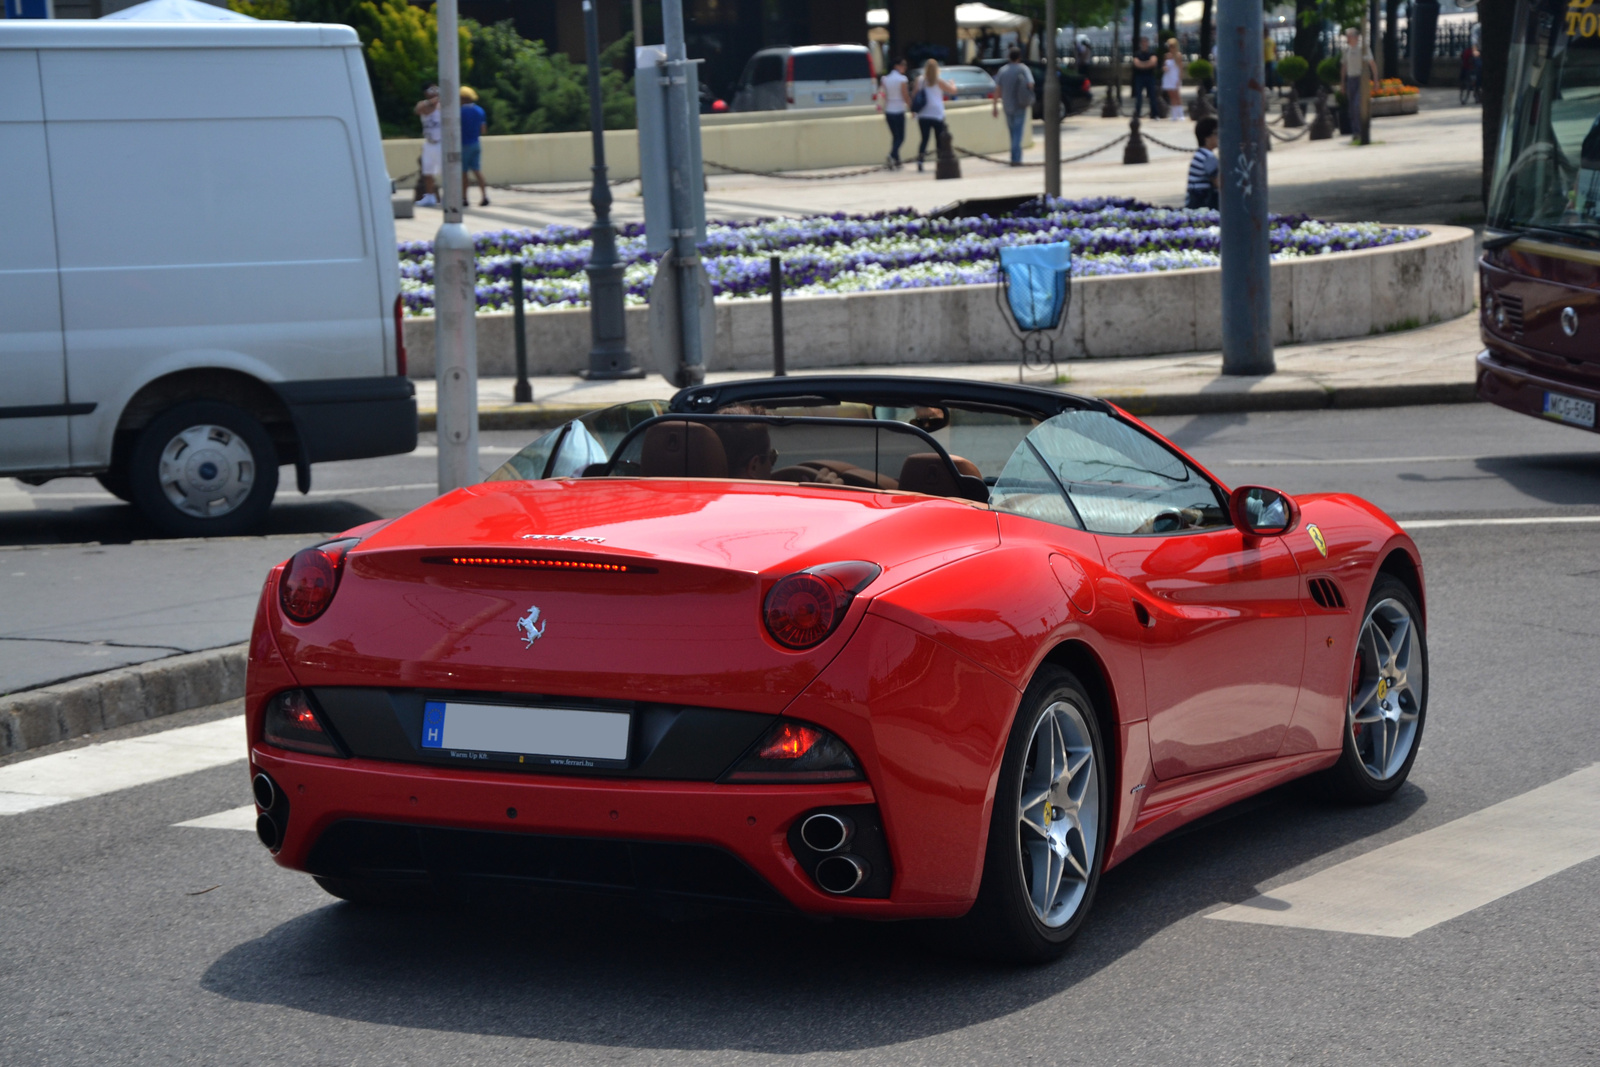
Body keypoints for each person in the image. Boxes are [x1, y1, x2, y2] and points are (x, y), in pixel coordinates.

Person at [992, 46, 1035, 166]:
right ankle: (1016, 159)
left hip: (1007, 105)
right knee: (1018, 133)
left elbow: (997, 89)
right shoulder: (1023, 69)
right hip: (1020, 105)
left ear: (1009, 57)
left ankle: (1014, 157)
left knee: (1012, 132)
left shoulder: (1003, 70)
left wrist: (994, 107)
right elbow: (1030, 84)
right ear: (1019, 57)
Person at [913, 58, 957, 172]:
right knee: (939, 139)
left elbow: (914, 94)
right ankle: (940, 161)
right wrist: (953, 83)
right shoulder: (939, 81)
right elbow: (952, 91)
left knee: (924, 139)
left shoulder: (920, 80)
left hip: (923, 114)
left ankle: (920, 160)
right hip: (937, 114)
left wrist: (913, 111)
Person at [1342, 26, 1376, 141]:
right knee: (1352, 107)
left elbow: (1372, 64)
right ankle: (1356, 132)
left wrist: (1376, 80)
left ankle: (1362, 129)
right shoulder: (1346, 50)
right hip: (1351, 79)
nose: (1347, 38)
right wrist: (1343, 83)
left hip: (1361, 79)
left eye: (1349, 36)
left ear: (1355, 37)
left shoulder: (1363, 49)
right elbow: (1344, 67)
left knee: (1358, 105)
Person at [459, 85, 489, 208]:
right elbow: (483, 130)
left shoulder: (459, 111)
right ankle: (484, 196)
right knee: (477, 171)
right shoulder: (480, 110)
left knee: (464, 173)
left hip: (463, 144)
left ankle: (465, 198)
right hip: (476, 143)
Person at [879, 56, 911, 169]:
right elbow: (905, 96)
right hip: (898, 110)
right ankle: (891, 155)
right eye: (903, 65)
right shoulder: (902, 79)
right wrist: (911, 108)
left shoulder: (885, 79)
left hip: (888, 111)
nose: (905, 67)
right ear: (896, 66)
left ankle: (897, 160)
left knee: (895, 137)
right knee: (901, 137)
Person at [414, 84, 441, 206]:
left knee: (447, 171)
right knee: (427, 171)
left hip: (442, 142)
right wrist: (434, 100)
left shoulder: (443, 106)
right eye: (432, 90)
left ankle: (452, 196)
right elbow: (418, 110)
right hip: (429, 143)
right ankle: (430, 196)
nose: (435, 92)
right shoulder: (424, 105)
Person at [1186, 116, 1220, 209]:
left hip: (1194, 200)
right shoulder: (1208, 157)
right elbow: (1218, 183)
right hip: (1203, 202)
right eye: (1216, 133)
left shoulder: (1199, 154)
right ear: (1207, 138)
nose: (1219, 136)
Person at [1130, 35, 1160, 119]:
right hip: (1139, 77)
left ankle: (1155, 114)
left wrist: (1142, 64)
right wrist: (1147, 64)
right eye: (1142, 42)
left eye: (1145, 42)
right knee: (1138, 96)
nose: (1144, 44)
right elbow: (1136, 63)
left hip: (1150, 77)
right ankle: (1137, 113)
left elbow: (1153, 62)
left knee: (1152, 96)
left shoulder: (1152, 53)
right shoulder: (1137, 53)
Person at [1162, 38, 1184, 121]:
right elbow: (1164, 65)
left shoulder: (1178, 55)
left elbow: (1181, 68)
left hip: (1175, 77)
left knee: (1177, 95)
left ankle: (1181, 114)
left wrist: (1179, 79)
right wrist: (1164, 68)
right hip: (1168, 76)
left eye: (1173, 46)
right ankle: (1174, 115)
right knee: (1171, 96)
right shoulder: (1166, 55)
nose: (1171, 48)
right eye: (1170, 46)